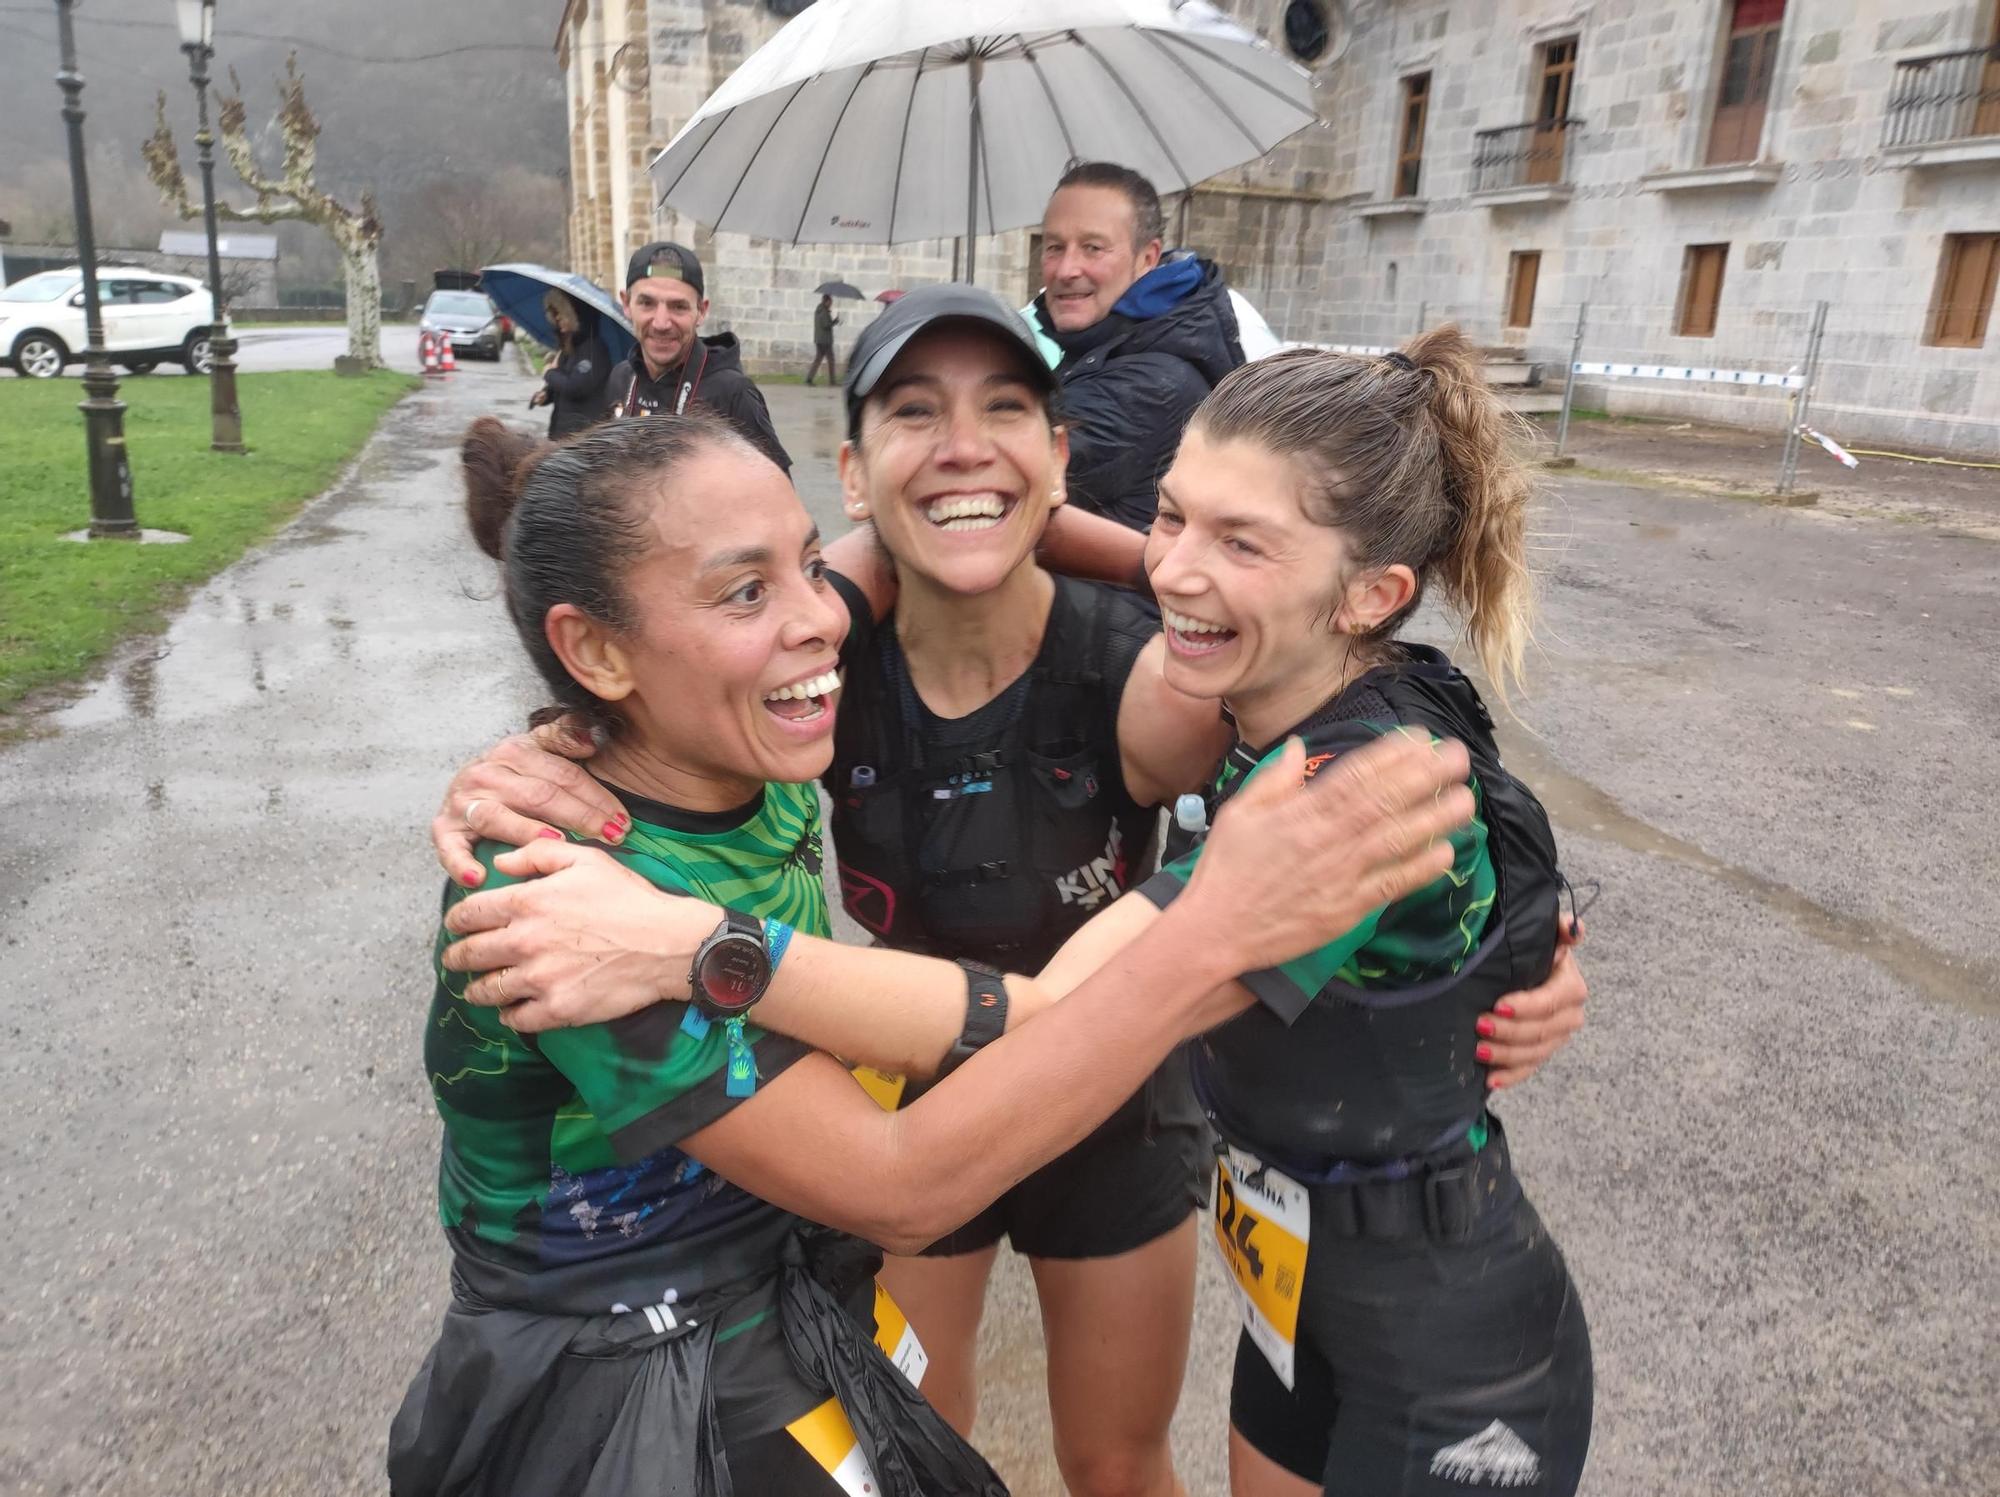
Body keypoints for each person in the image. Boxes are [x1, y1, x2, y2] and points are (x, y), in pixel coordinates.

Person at [427, 293, 1593, 1497]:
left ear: (1370, 595)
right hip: (684, 1346)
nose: (1179, 568)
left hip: (1411, 1300)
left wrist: (698, 943)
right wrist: (543, 746)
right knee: (928, 1426)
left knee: (1111, 1459)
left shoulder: (1329, 768)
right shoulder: (752, 731)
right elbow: (795, 596)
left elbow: (1071, 1007)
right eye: (1170, 520)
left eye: (1238, 542)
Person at [1028, 162, 1246, 532]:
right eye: (1054, 247)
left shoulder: (1153, 382)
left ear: (1147, 259)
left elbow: (1009, 471)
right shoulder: (1102, 345)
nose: (1066, 269)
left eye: (1092, 248)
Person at [606, 239, 792, 474]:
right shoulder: (621, 378)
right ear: (626, 304)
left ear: (701, 311)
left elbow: (778, 501)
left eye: (678, 307)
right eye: (647, 303)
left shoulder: (733, 394)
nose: (661, 323)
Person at [527, 288, 612, 439]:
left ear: (576, 316)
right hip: (562, 434)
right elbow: (563, 384)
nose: (557, 319)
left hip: (582, 437)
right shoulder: (570, 347)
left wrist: (549, 373)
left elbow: (576, 387)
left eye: (561, 313)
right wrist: (547, 395)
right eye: (555, 315)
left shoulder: (594, 349)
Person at [807, 293, 840, 386]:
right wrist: (834, 322)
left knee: (818, 360)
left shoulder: (820, 310)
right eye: (830, 302)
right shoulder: (824, 312)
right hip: (825, 341)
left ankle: (809, 379)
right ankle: (832, 381)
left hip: (820, 339)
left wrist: (833, 321)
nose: (831, 304)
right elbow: (826, 325)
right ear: (826, 301)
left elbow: (825, 323)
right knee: (831, 360)